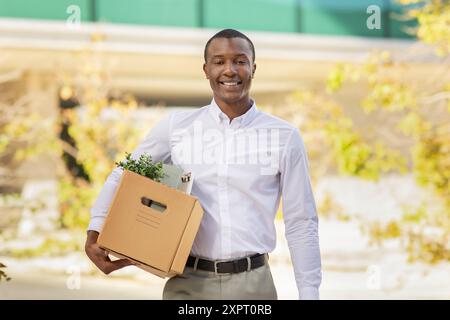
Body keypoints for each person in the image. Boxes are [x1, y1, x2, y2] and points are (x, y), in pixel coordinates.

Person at [85, 28, 322, 300]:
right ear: (206, 69)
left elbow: (301, 221)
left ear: (253, 68)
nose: (230, 70)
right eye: (219, 61)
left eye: (240, 61)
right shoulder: (176, 128)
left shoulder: (284, 137)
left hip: (253, 286)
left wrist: (309, 293)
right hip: (187, 283)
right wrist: (96, 229)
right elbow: (124, 174)